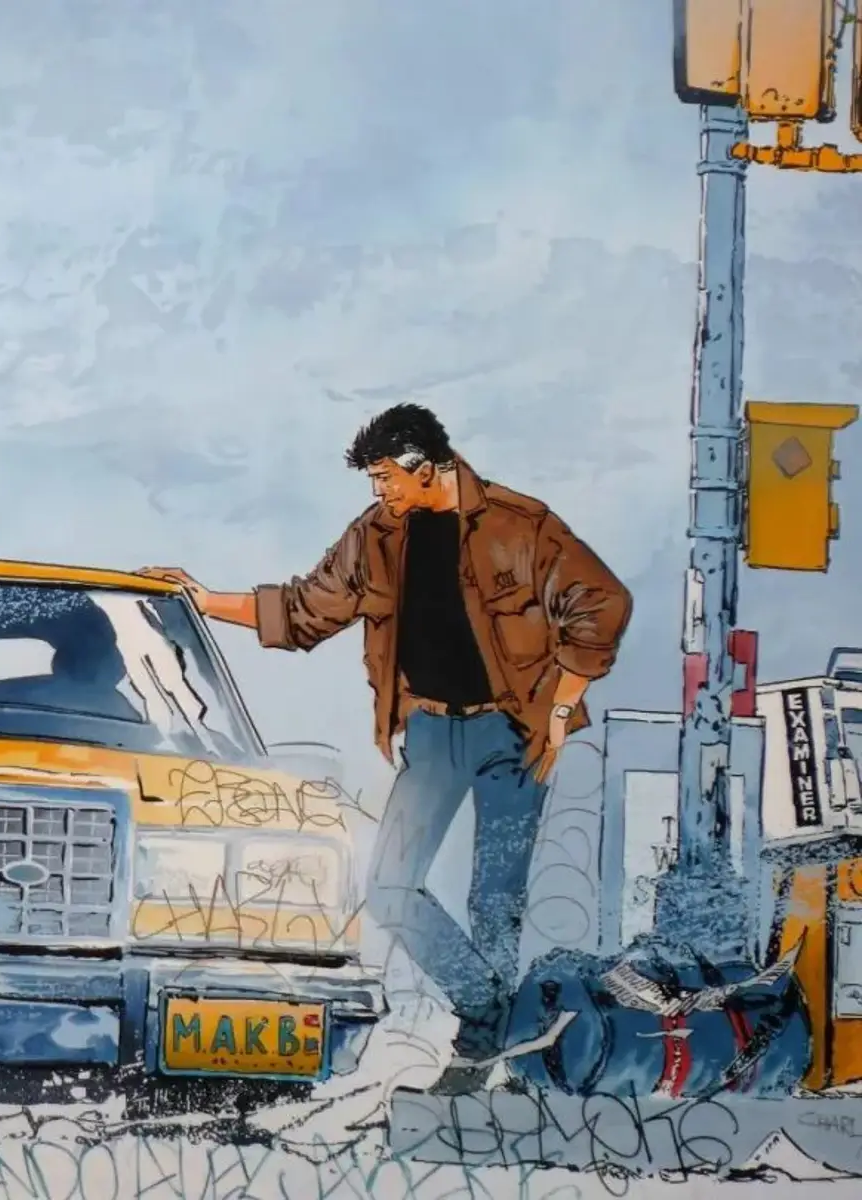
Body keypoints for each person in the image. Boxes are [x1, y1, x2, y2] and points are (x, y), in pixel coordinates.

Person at [141, 403, 631, 1093]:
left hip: (514, 733)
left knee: (496, 901)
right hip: (430, 732)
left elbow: (603, 603)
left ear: (423, 467)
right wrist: (202, 599)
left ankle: (483, 1053)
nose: (379, 491)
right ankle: (493, 1013)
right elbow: (306, 608)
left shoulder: (520, 525)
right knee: (390, 888)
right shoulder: (376, 535)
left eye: (385, 478)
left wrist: (558, 709)